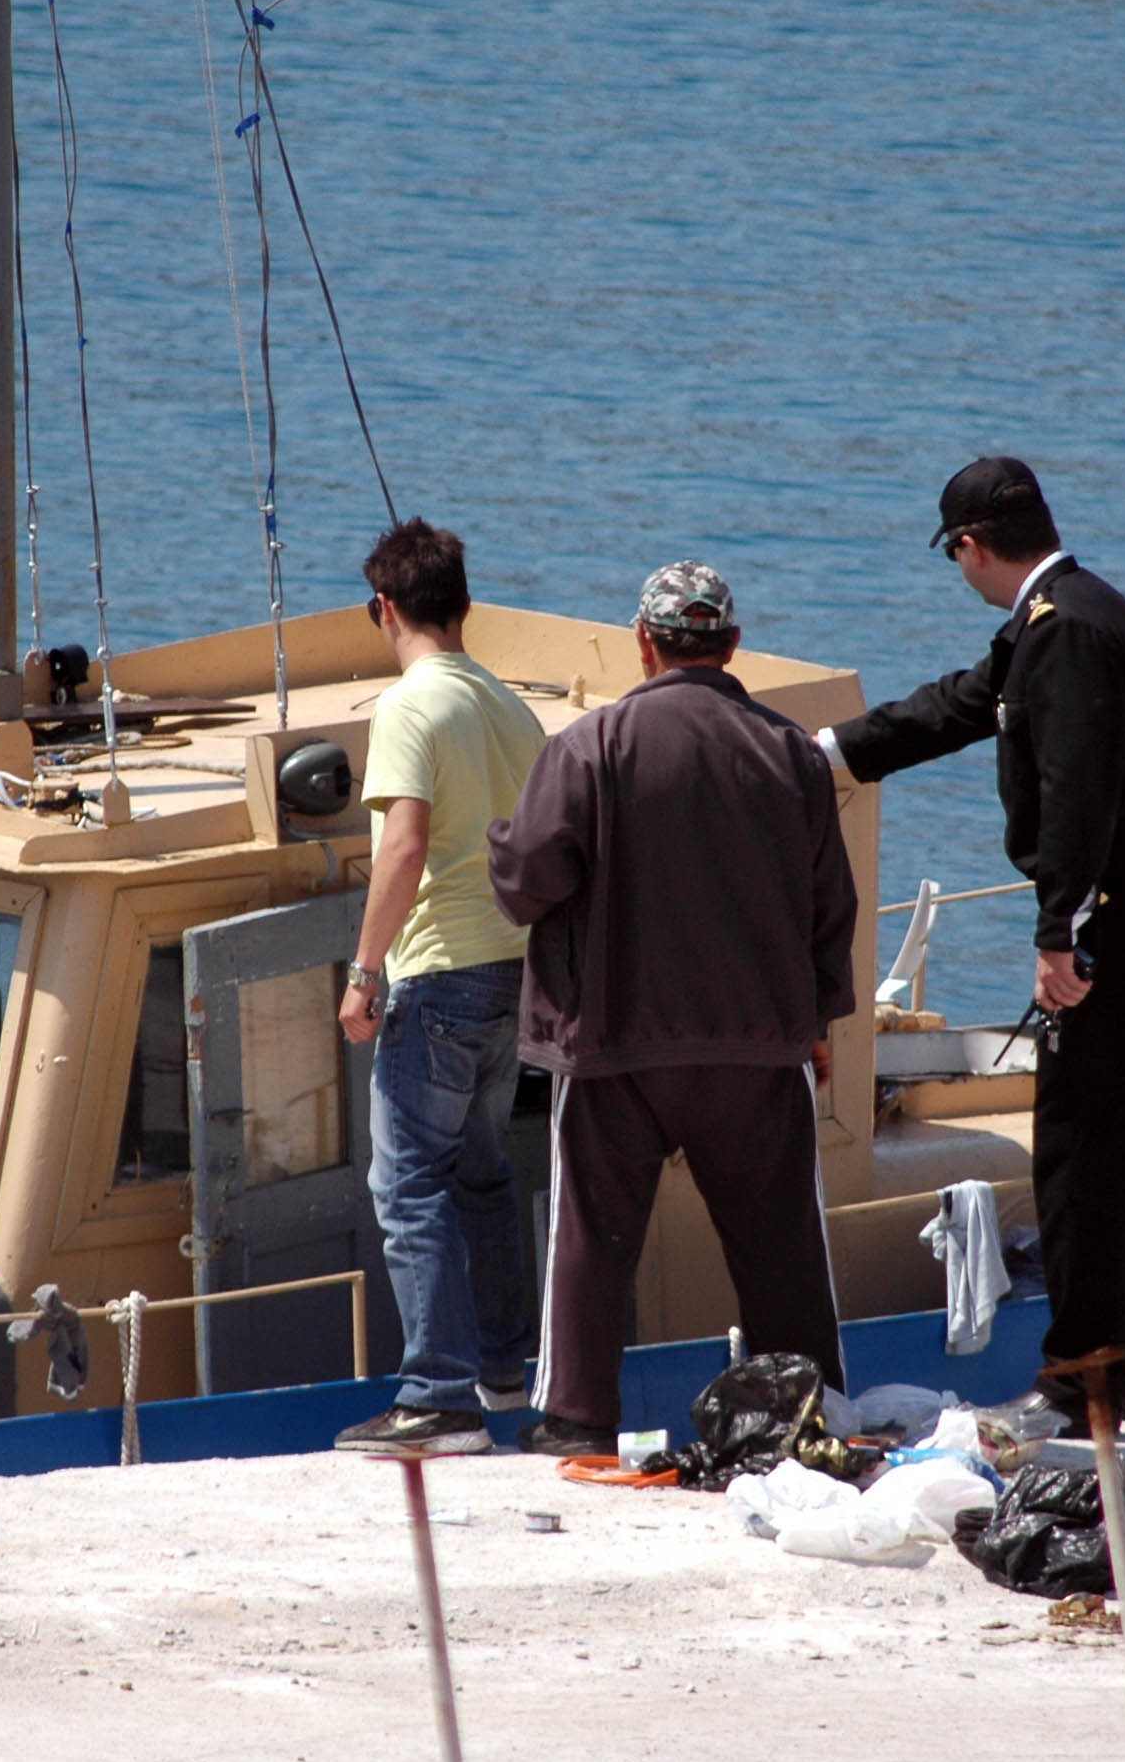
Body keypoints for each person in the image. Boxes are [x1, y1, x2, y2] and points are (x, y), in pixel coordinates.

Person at [823, 457, 1125, 1430]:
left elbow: (1077, 788)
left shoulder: (1068, 635)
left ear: (967, 545)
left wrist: (1058, 930)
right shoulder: (1070, 616)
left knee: (1085, 1145)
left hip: (1118, 912)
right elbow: (964, 701)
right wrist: (829, 751)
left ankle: (1078, 1378)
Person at [489, 561, 859, 1455]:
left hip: (615, 1045)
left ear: (644, 644)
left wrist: (499, 840)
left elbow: (525, 883)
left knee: (592, 1238)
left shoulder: (589, 746)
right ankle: (804, 1413)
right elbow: (829, 907)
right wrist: (818, 1023)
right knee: (780, 1251)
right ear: (731, 645)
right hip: (756, 1047)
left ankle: (578, 1421)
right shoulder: (790, 752)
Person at [331, 520, 550, 1456]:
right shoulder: (512, 709)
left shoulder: (409, 706)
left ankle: (437, 1396)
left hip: (438, 977)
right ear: (463, 605)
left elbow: (405, 848)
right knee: (484, 1175)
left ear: (385, 609)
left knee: (407, 1186)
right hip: (513, 972)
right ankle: (507, 1370)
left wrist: (362, 973)